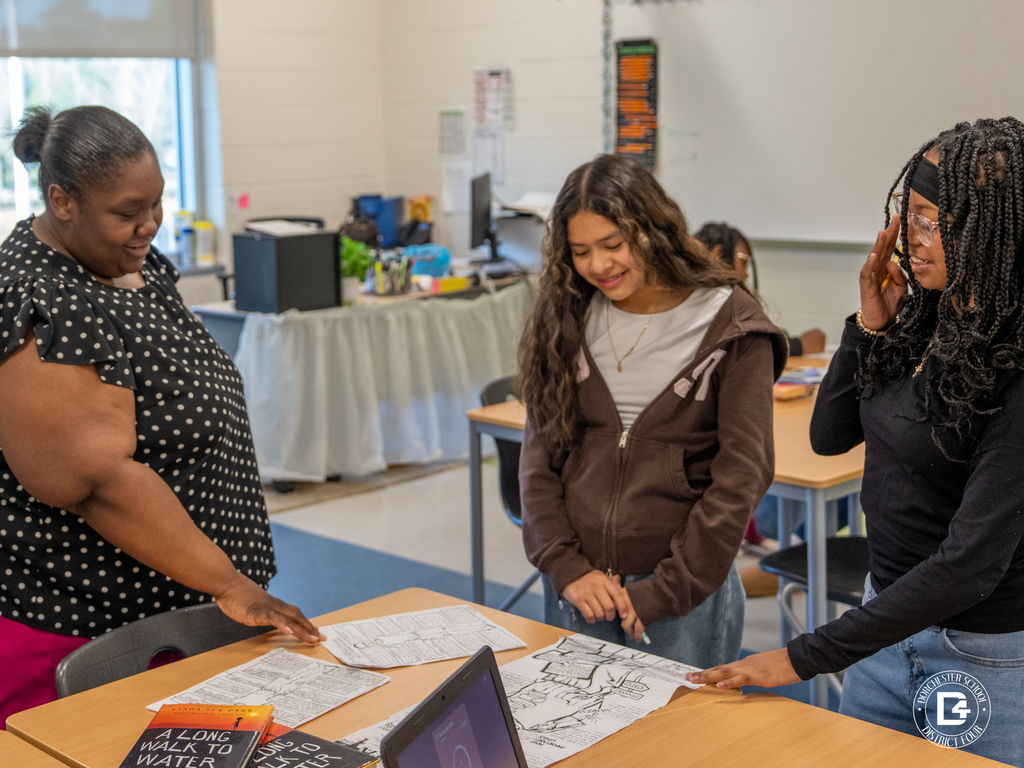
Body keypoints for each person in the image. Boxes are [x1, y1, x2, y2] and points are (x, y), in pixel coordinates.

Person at [688, 117, 1024, 767]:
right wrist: (868, 324)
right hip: (881, 624)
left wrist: (801, 656)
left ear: (984, 230)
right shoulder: (921, 320)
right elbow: (828, 435)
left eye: (930, 219)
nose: (909, 239)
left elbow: (969, 564)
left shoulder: (1014, 369)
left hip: (974, 656)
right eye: (908, 214)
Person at [0, 105, 323, 726]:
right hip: (90, 627)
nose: (148, 225)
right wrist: (230, 584)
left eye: (156, 204)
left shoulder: (128, 266)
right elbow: (94, 480)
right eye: (127, 212)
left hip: (180, 608)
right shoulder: (39, 295)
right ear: (62, 201)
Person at [517, 154, 787, 668]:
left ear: (654, 229)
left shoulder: (729, 324)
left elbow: (742, 476)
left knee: (681, 745)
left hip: (683, 599)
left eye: (613, 245)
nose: (598, 266)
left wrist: (664, 592)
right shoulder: (567, 315)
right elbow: (539, 462)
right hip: (580, 588)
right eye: (580, 251)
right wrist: (565, 567)